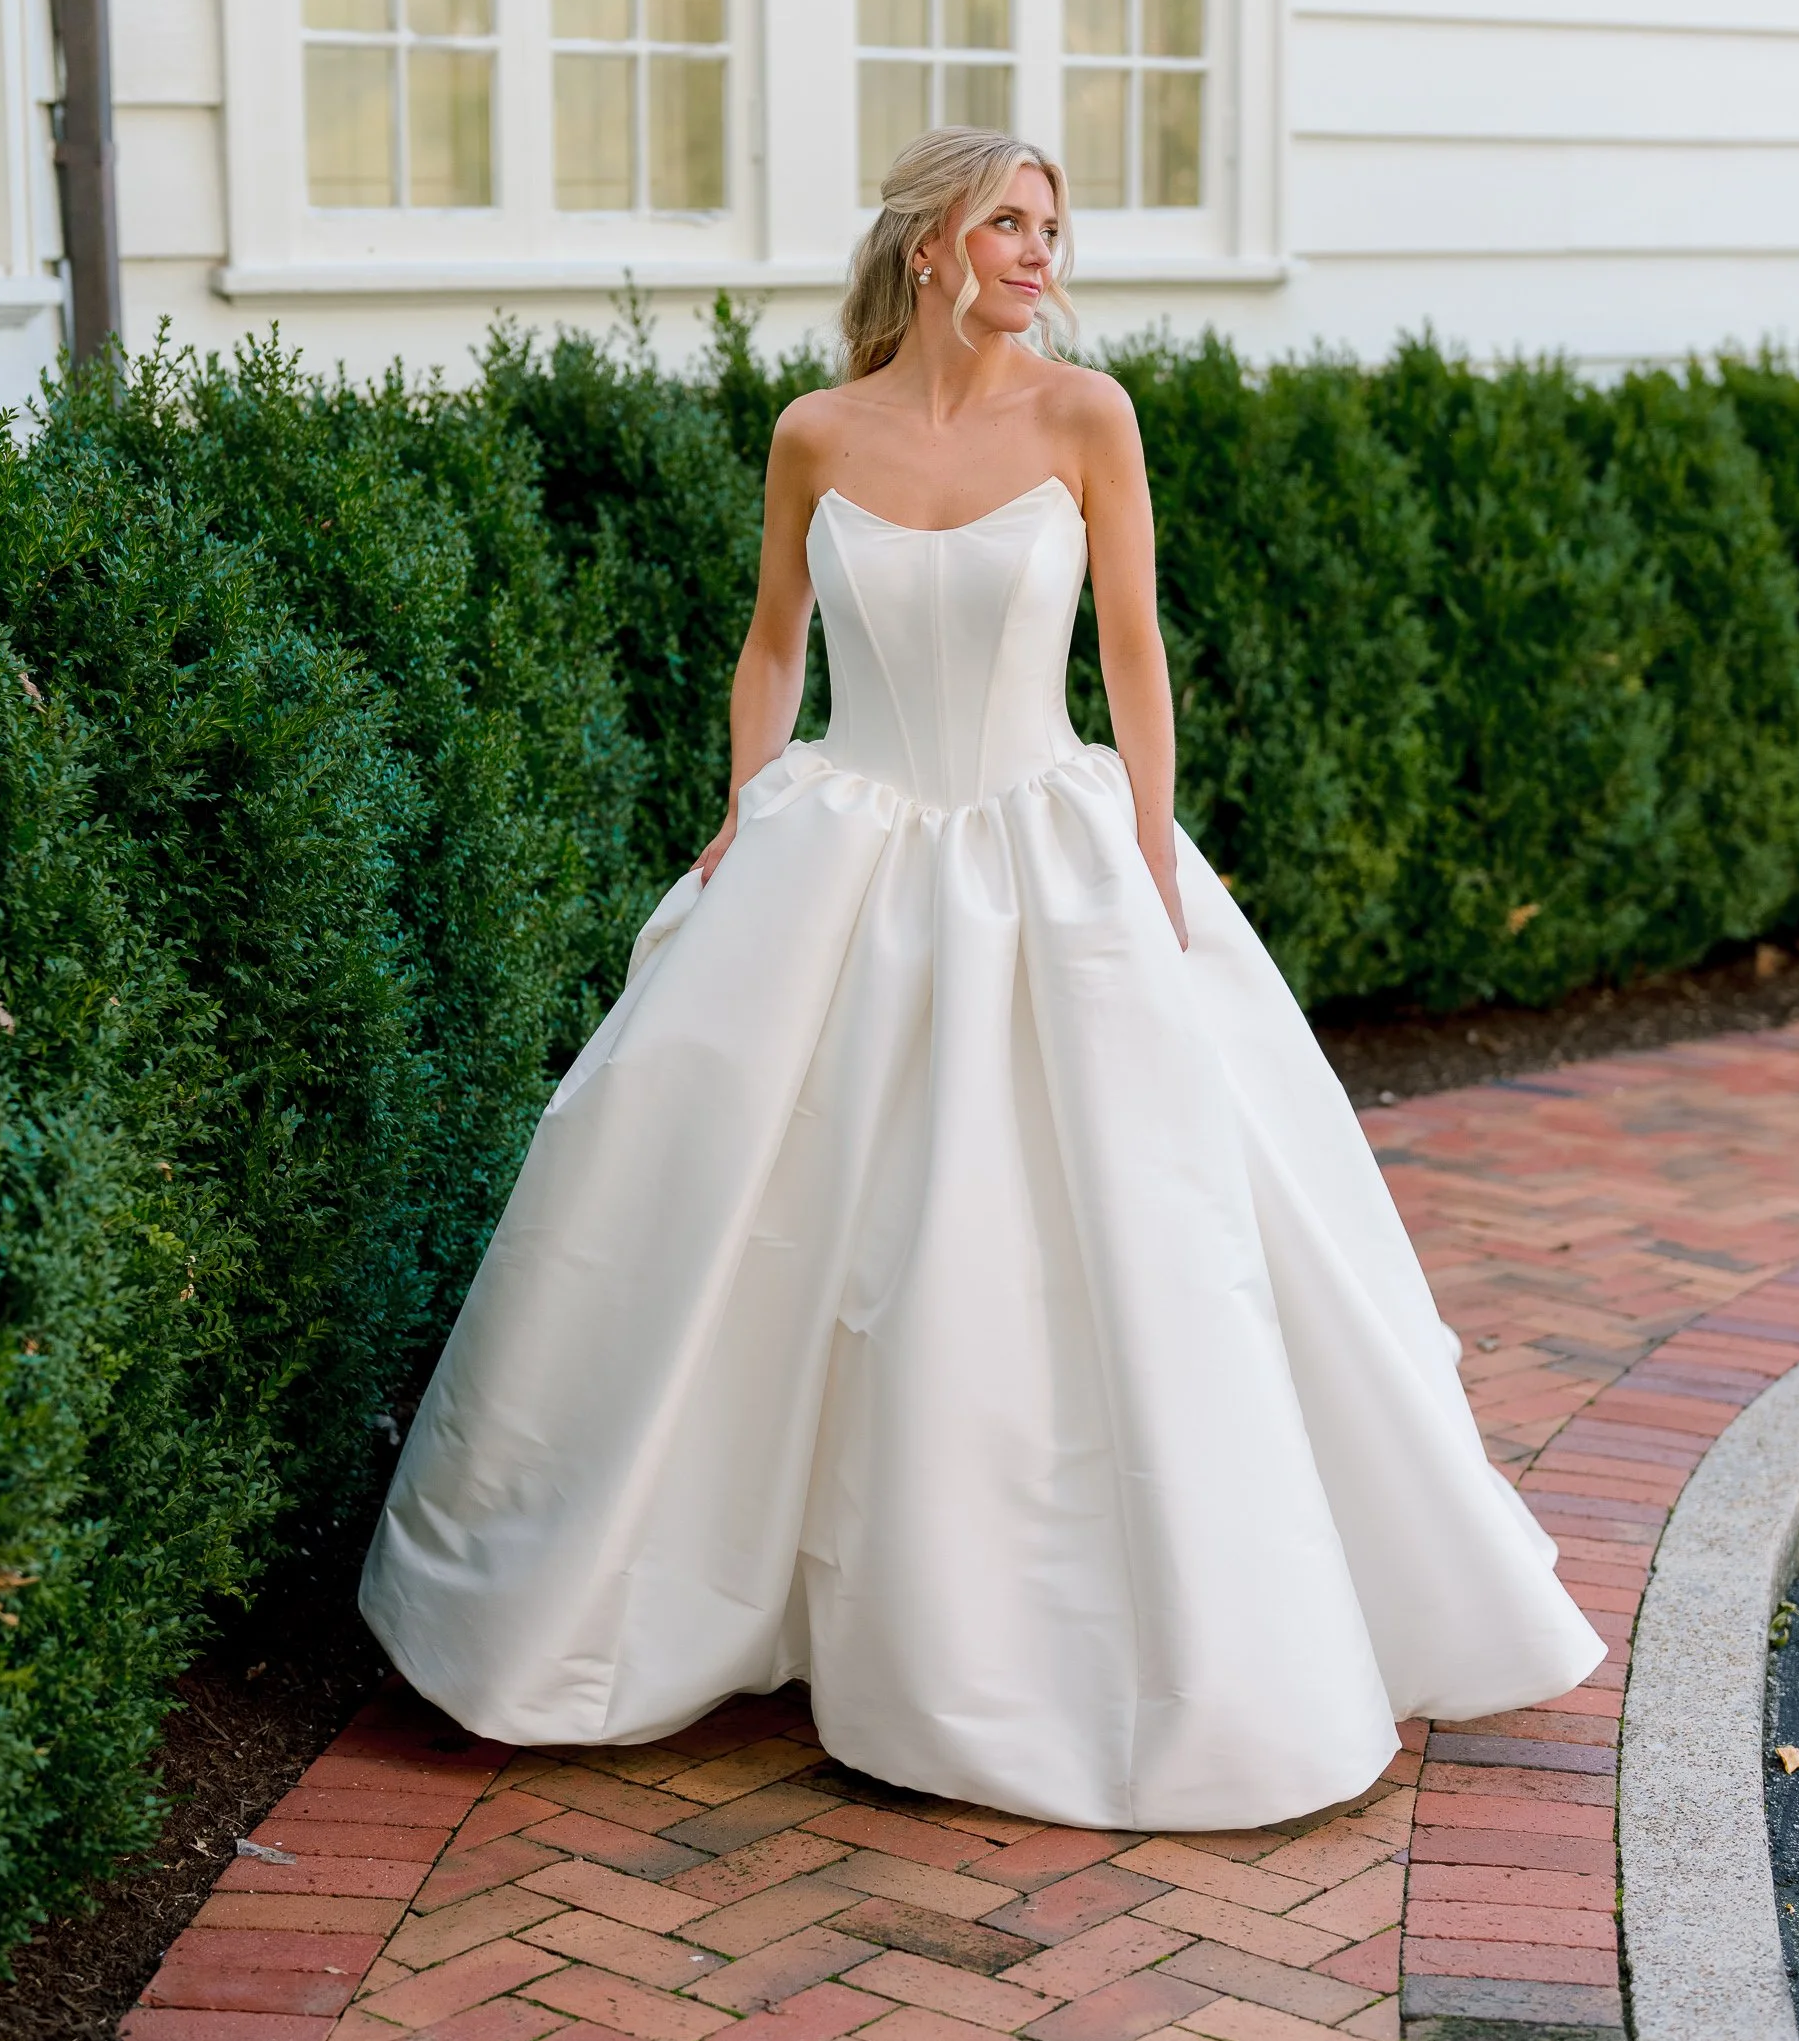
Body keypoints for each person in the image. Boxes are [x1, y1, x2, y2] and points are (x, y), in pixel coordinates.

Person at [359, 125, 1604, 1831]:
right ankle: (702, 1587)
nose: (1040, 249)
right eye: (1010, 223)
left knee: (1106, 1226)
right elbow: (776, 641)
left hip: (1046, 847)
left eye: (1050, 225)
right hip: (845, 844)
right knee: (753, 1200)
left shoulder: (1089, 416)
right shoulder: (816, 432)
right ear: (934, 241)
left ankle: (1057, 1640)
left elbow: (1136, 649)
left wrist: (1151, 852)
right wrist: (740, 818)